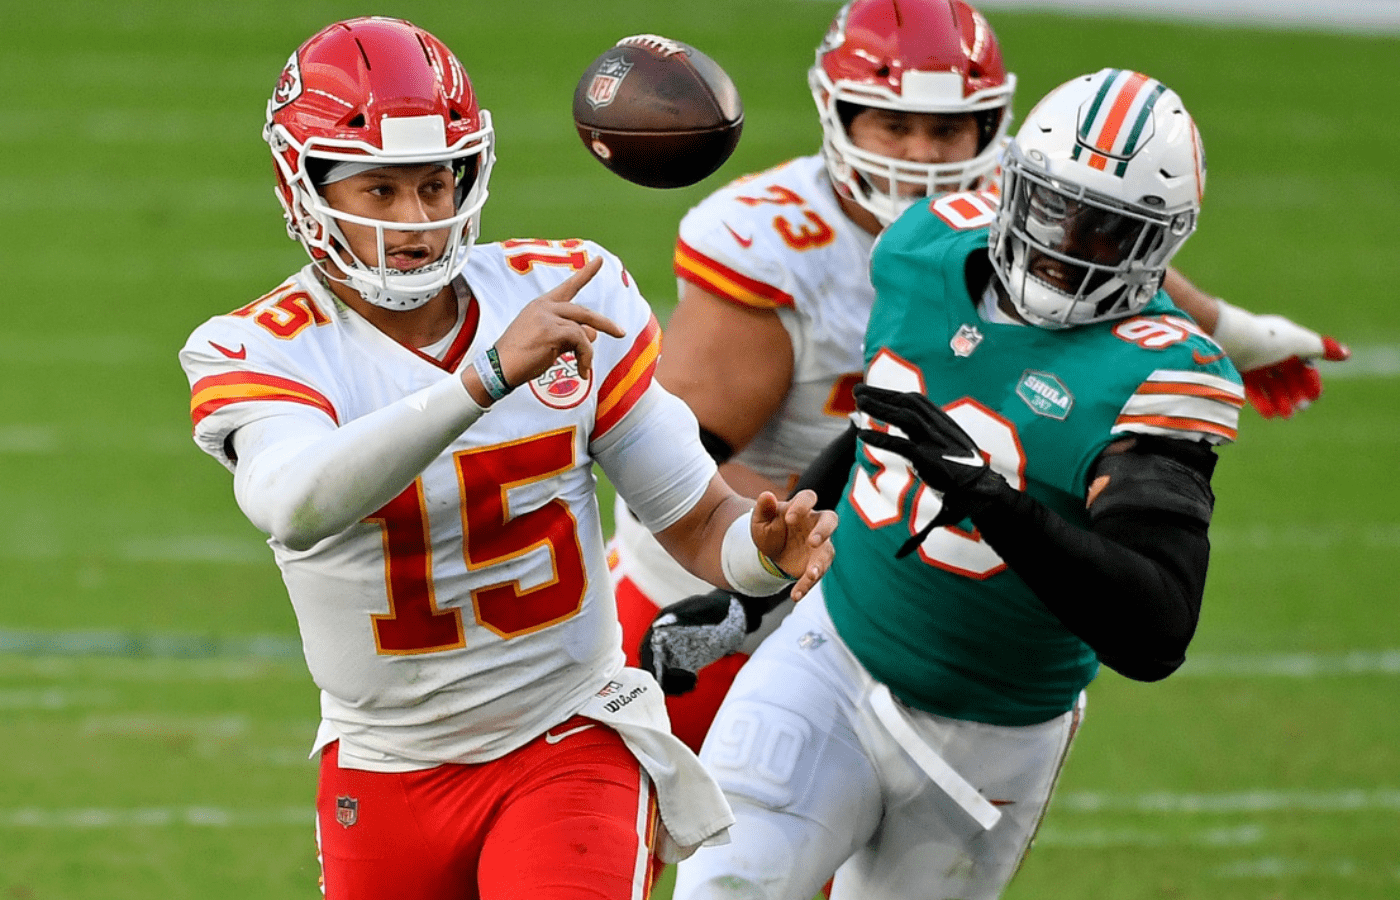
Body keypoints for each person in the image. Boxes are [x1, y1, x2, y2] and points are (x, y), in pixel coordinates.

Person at [176, 17, 838, 900]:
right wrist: (483, 380)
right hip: (383, 760)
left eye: (435, 184)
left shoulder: (564, 290)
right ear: (304, 188)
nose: (417, 220)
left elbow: (694, 518)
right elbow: (293, 506)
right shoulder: (259, 346)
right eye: (380, 190)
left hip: (565, 736)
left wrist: (763, 556)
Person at [615, 0, 1349, 755]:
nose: (922, 155)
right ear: (838, 114)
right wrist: (780, 553)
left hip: (882, 594)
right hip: (724, 568)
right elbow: (672, 465)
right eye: (894, 125)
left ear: (994, 128)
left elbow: (1131, 267)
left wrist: (1246, 336)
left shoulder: (1031, 205)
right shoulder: (769, 242)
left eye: (947, 129)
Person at [669, 67, 1242, 900]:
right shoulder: (923, 249)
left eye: (1111, 229)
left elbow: (1155, 630)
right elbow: (882, 432)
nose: (1069, 244)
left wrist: (998, 505)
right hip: (830, 661)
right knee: (726, 889)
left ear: (1161, 243)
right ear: (1013, 186)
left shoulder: (1160, 374)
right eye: (1054, 207)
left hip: (992, 738)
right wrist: (749, 598)